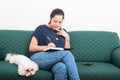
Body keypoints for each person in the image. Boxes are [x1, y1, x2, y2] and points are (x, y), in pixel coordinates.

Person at [29, 8, 80, 80]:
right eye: (55, 21)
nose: (57, 24)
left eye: (60, 22)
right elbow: (31, 48)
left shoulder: (63, 31)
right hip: (38, 58)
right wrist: (46, 47)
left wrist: (67, 37)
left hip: (54, 62)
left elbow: (66, 50)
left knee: (62, 67)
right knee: (67, 54)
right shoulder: (41, 28)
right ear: (50, 18)